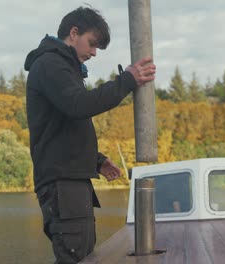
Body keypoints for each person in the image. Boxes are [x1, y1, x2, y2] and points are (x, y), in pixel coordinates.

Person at [23, 6, 156, 264]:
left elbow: (62, 128)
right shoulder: (51, 64)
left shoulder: (61, 66)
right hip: (63, 184)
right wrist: (127, 81)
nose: (94, 53)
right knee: (76, 257)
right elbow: (79, 106)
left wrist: (96, 160)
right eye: (92, 44)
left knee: (82, 254)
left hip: (70, 182)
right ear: (74, 33)